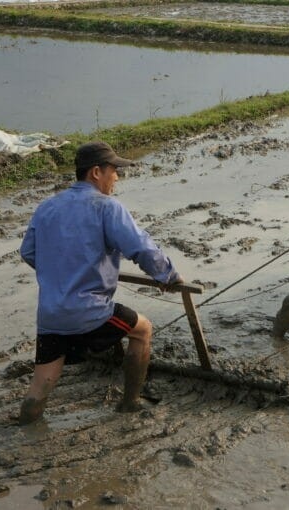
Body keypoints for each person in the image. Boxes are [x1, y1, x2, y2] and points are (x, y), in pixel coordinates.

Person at [18, 140, 183, 424]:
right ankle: (130, 402)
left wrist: (63, 270)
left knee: (40, 386)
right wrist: (167, 275)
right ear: (96, 172)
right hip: (89, 311)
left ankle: (28, 427)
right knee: (142, 330)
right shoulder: (106, 206)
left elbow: (29, 252)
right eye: (114, 170)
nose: (117, 177)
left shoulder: (47, 207)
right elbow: (140, 248)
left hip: (50, 315)